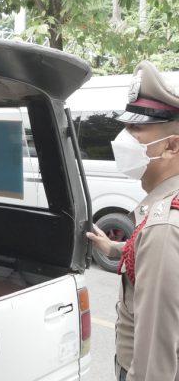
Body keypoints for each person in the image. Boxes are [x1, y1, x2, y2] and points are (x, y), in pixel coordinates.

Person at [86, 60, 179, 381]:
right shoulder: (164, 213)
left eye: (136, 129)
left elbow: (155, 363)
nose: (123, 138)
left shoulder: (163, 227)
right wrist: (115, 248)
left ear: (171, 146)